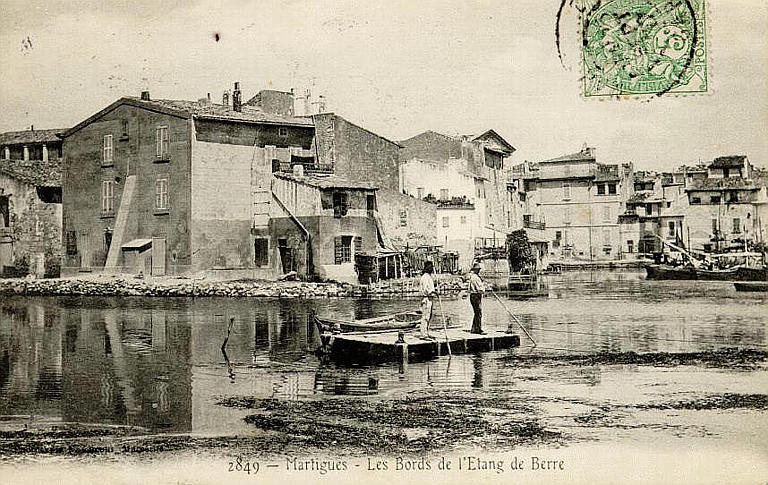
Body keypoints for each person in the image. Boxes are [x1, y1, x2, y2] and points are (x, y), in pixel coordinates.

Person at [419, 261, 437, 339]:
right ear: (426, 268)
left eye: (432, 267)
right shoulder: (425, 277)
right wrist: (433, 292)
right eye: (430, 267)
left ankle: (426, 332)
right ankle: (423, 334)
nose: (432, 268)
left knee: (429, 316)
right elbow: (426, 290)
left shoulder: (429, 277)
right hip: (426, 299)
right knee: (425, 317)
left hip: (430, 299)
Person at [468, 261, 485, 334]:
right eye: (477, 269)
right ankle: (477, 329)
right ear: (475, 270)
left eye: (479, 269)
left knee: (477, 313)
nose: (478, 271)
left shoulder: (475, 277)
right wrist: (484, 289)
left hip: (474, 296)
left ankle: (475, 328)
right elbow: (480, 289)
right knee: (478, 313)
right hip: (475, 296)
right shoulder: (475, 278)